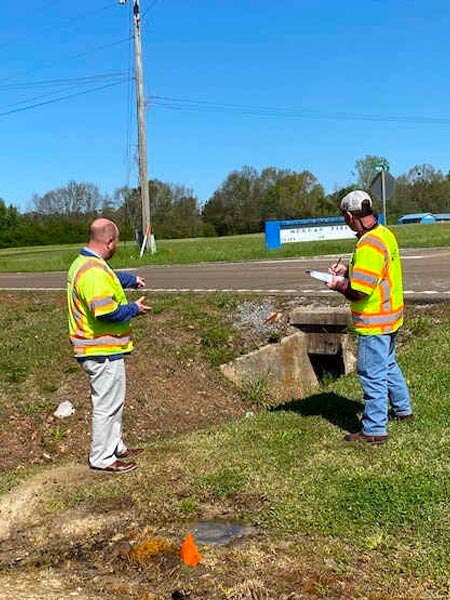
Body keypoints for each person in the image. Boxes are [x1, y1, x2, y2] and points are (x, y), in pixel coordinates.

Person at [327, 190, 413, 444]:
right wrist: (349, 269)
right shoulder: (383, 234)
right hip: (391, 317)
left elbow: (359, 292)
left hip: (374, 321)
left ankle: (374, 430)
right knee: (388, 364)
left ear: (351, 215)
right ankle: (403, 410)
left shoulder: (368, 244)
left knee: (371, 373)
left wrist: (338, 284)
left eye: (345, 216)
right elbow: (375, 272)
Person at [67, 218, 151, 472]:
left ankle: (115, 447)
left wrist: (131, 279)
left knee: (116, 401)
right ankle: (102, 458)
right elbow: (104, 311)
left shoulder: (90, 264)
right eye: (116, 242)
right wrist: (133, 309)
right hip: (99, 350)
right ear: (109, 241)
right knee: (106, 405)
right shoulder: (92, 271)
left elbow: (110, 277)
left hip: (106, 350)